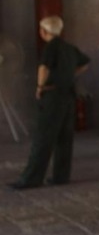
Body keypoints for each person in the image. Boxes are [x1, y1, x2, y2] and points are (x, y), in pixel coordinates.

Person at [8, 15, 90, 190]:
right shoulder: (69, 48)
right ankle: (61, 176)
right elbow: (85, 63)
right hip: (68, 95)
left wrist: (39, 86)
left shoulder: (50, 47)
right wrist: (69, 74)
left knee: (43, 137)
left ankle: (31, 178)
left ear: (44, 31)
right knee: (64, 137)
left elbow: (43, 68)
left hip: (52, 95)